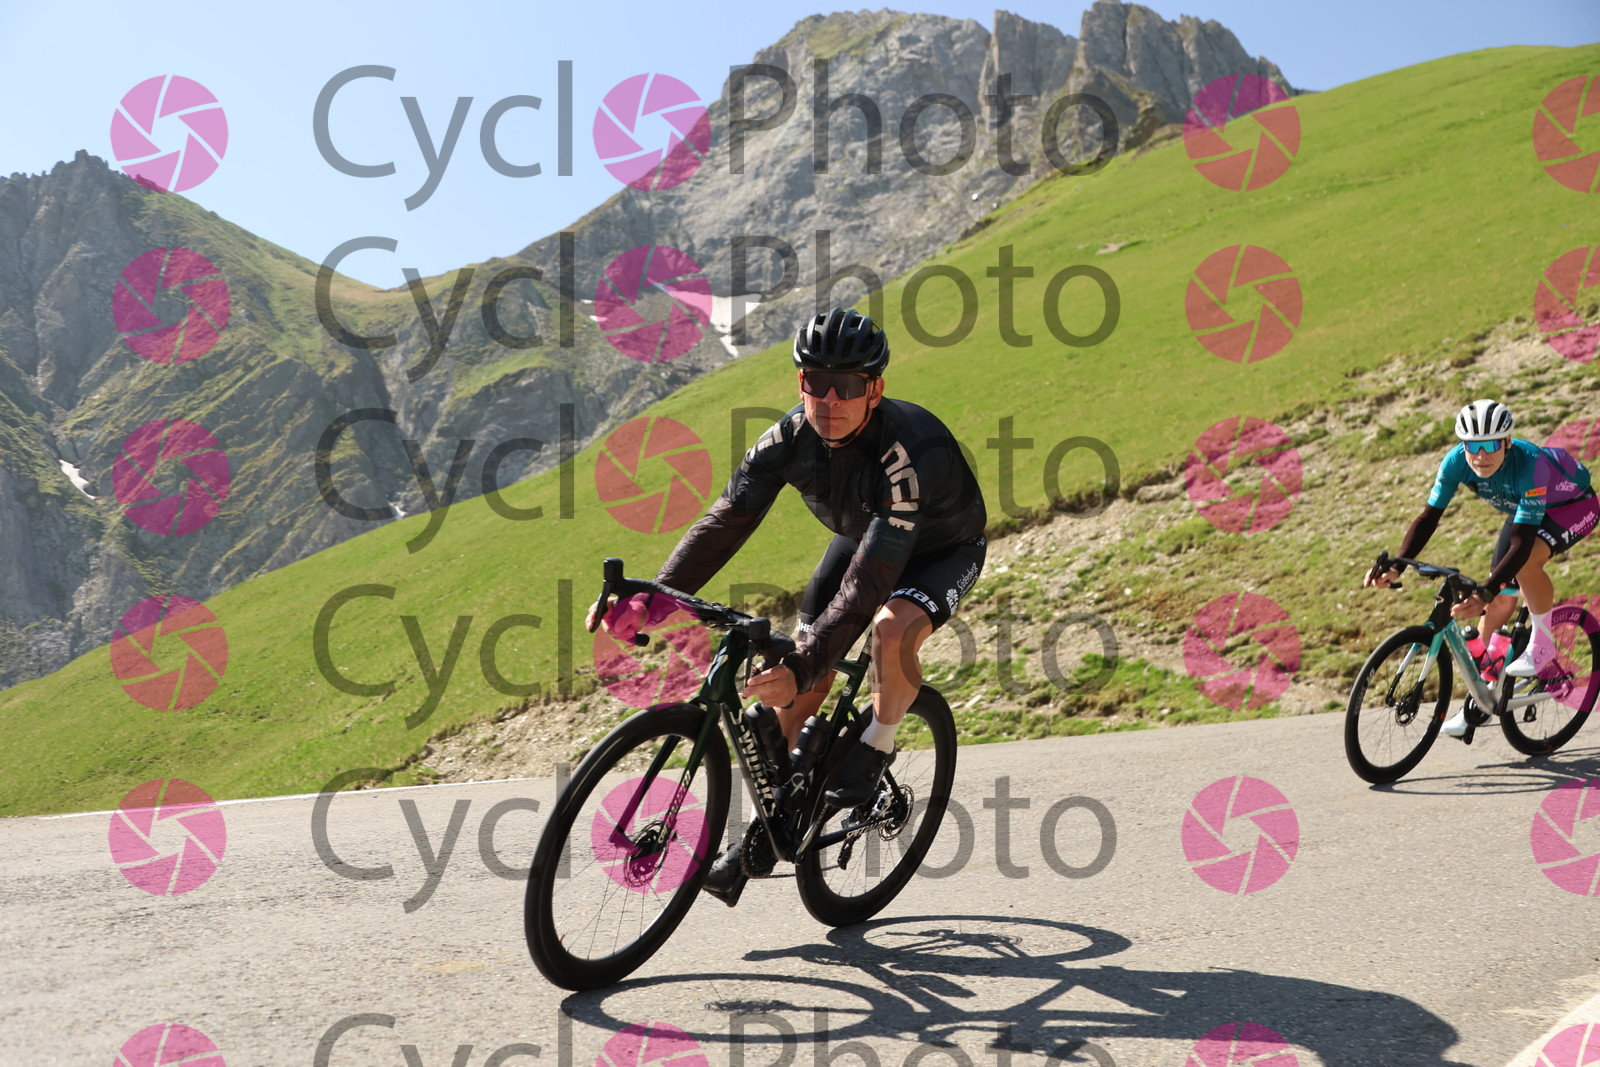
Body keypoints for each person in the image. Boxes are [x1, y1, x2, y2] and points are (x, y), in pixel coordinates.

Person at [592, 306, 987, 904]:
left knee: (888, 630)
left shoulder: (904, 456)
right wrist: (653, 599)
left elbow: (870, 585)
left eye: (846, 385)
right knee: (798, 681)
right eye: (815, 381)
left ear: (874, 390)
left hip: (941, 550)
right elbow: (725, 523)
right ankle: (771, 826)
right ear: (800, 381)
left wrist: (803, 664)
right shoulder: (786, 440)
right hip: (864, 539)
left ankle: (876, 745)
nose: (829, 399)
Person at [1365, 399, 1597, 736]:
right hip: (1524, 511)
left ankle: (1544, 645)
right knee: (1497, 603)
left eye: (1490, 445)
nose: (1481, 456)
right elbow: (1429, 518)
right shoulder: (1455, 462)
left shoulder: (1531, 463)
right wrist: (1397, 565)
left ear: (1507, 441)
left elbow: (1522, 542)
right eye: (1473, 446)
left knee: (1523, 565)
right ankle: (1481, 702)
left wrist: (1484, 591)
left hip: (1573, 507)